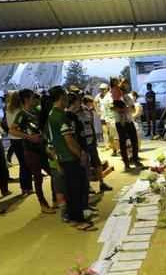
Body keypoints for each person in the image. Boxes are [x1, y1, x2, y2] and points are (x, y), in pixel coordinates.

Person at [48, 87, 93, 231]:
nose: (68, 99)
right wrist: (80, 154)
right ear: (61, 97)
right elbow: (68, 139)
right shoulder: (60, 116)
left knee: (71, 189)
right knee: (75, 190)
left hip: (63, 157)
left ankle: (74, 217)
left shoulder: (53, 114)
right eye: (66, 96)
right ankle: (77, 219)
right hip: (69, 157)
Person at [10, 89, 56, 214]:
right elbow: (12, 130)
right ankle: (43, 203)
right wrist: (29, 137)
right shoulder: (22, 114)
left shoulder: (37, 111)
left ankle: (55, 198)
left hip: (42, 147)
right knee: (38, 177)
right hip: (30, 149)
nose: (35, 99)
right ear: (26, 99)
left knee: (54, 173)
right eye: (32, 97)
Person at [81, 95, 112, 192]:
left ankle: (102, 183)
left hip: (91, 140)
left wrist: (94, 138)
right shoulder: (75, 112)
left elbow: (91, 125)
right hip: (83, 142)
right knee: (86, 165)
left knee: (97, 163)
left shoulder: (88, 111)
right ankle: (88, 186)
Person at [6, 90, 33, 194]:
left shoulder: (8, 110)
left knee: (22, 164)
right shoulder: (21, 111)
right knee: (27, 164)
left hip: (13, 139)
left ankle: (24, 188)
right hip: (22, 138)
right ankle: (28, 187)